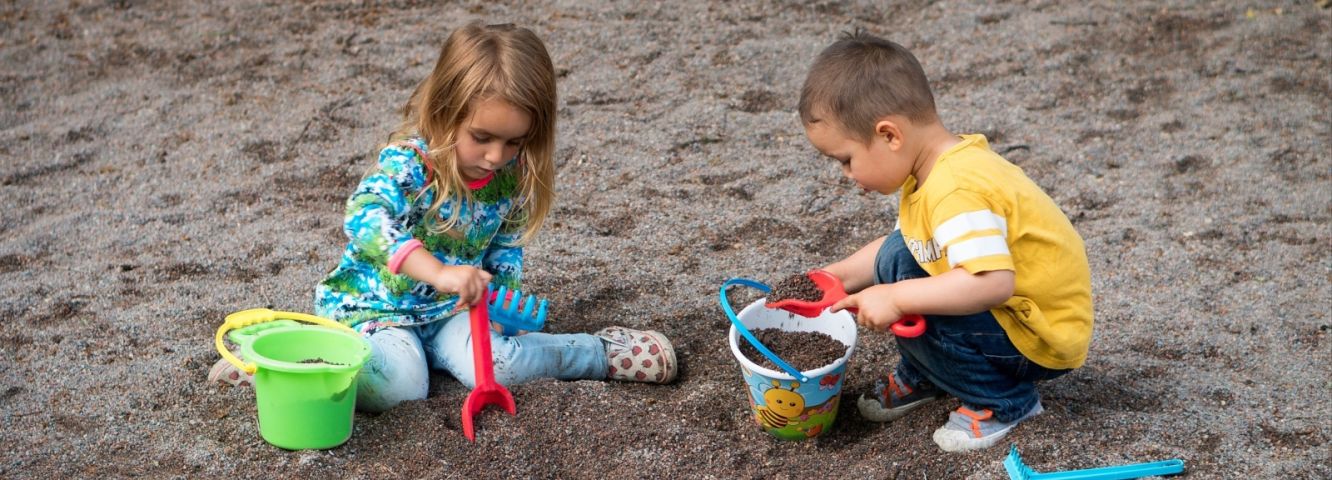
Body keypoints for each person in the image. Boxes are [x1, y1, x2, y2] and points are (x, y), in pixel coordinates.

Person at [210, 23, 676, 411]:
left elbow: (504, 248)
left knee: (500, 367)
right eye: (482, 137)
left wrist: (499, 304)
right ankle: (285, 363)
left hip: (452, 310)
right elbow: (363, 217)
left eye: (515, 141)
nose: (497, 156)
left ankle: (601, 354)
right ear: (443, 112)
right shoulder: (411, 164)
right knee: (400, 389)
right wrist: (436, 271)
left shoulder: (510, 176)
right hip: (378, 310)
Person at [795, 31, 1092, 452]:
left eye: (846, 159)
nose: (846, 174)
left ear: (889, 135)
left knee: (912, 293)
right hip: (1013, 315)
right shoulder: (933, 168)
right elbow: (903, 246)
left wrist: (897, 297)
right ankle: (930, 373)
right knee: (901, 256)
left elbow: (991, 283)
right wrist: (835, 276)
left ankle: (1005, 402)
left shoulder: (956, 190)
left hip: (1037, 336)